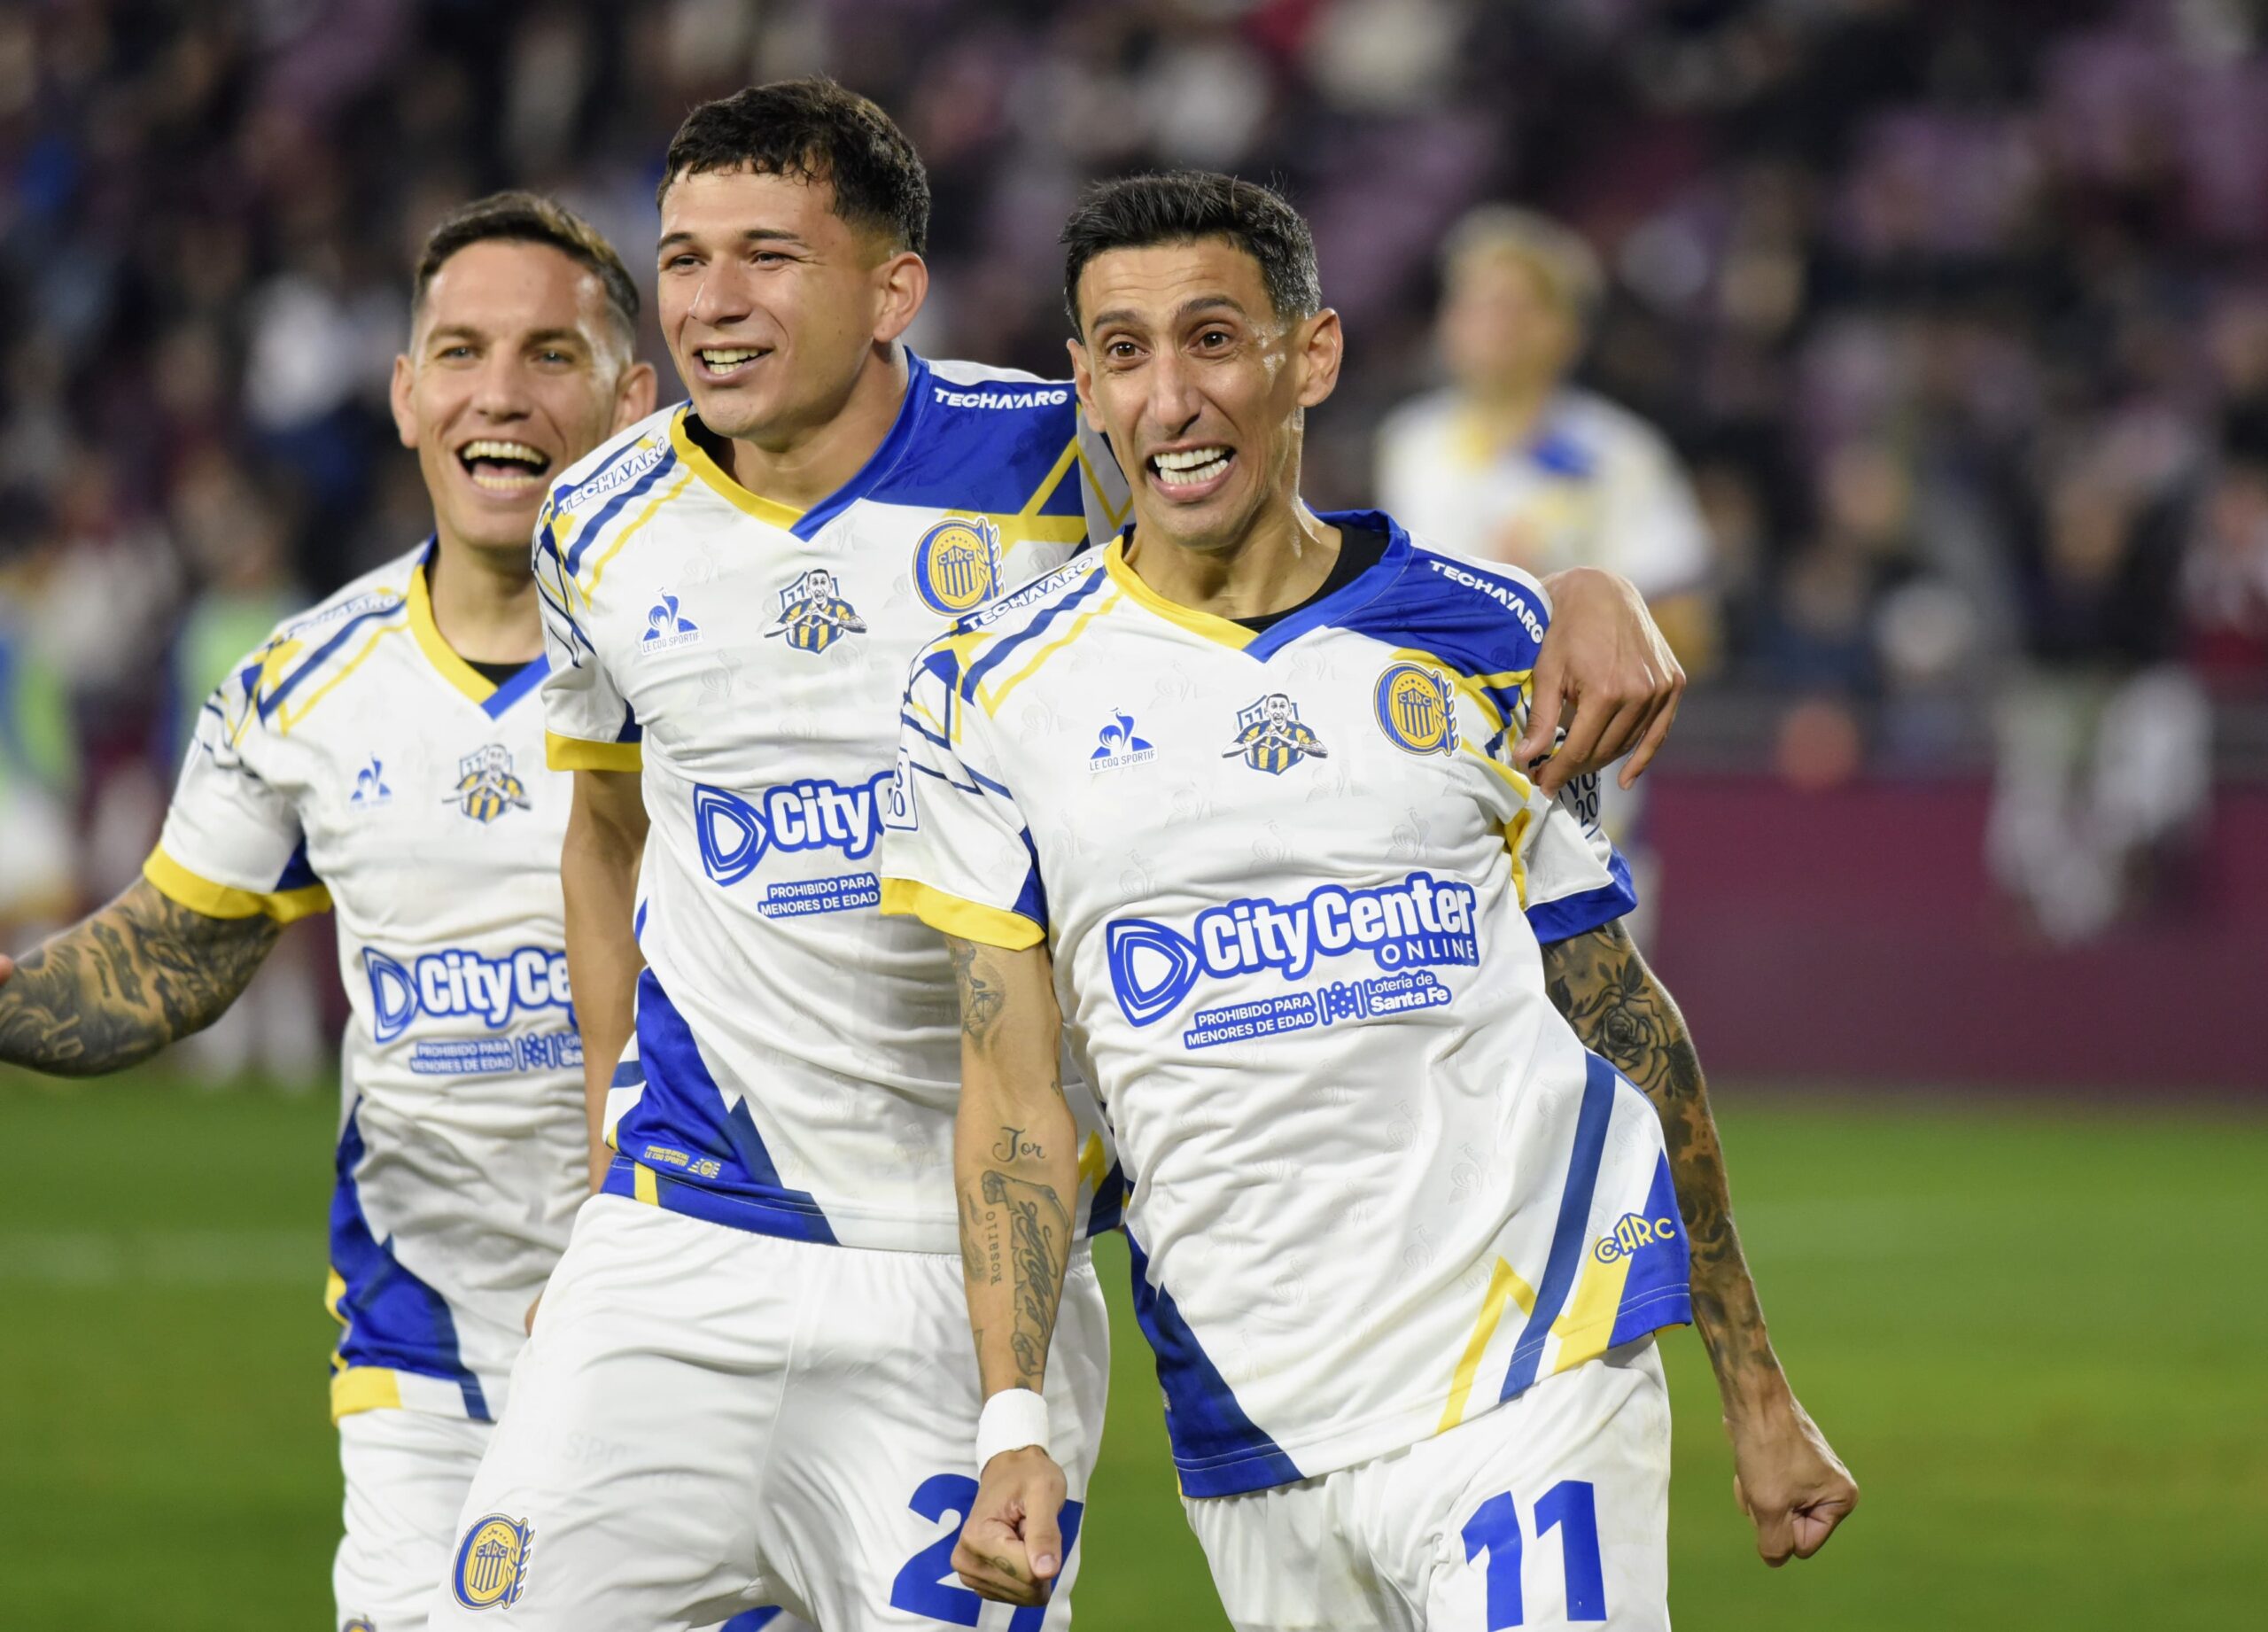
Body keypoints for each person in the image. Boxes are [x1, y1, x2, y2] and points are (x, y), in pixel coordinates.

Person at [431, 80, 1689, 1632]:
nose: (712, 299)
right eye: (683, 257)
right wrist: (599, 1182)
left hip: (969, 1274)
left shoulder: (1050, 453)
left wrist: (1579, 590)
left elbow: (1298, 550)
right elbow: (606, 830)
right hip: (681, 1225)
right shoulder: (597, 520)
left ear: (893, 290)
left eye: (768, 255)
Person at [881, 171, 1854, 1629]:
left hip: (1534, 1369)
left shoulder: (1488, 636)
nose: (1170, 396)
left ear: (1312, 356)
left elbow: (1620, 1020)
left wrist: (1757, 1389)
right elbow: (1015, 1100)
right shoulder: (986, 696)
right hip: (1250, 1419)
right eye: (1126, 352)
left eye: (1215, 338)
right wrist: (1012, 1421)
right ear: (1084, 385)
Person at [0, 191, 710, 1632]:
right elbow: (164, 958)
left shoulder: (735, 664)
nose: (498, 392)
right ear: (404, 395)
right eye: (459, 352)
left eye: (549, 354)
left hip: (701, 1337)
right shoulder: (299, 689)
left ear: (634, 399)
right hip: (426, 1362)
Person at [1379, 206, 1720, 939]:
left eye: (1508, 305)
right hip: (1434, 822)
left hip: (1580, 827)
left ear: (1563, 329)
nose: (1482, 323)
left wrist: (1558, 619)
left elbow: (1690, 631)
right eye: (1468, 301)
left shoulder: (1620, 458)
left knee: (1589, 1013)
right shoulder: (1411, 446)